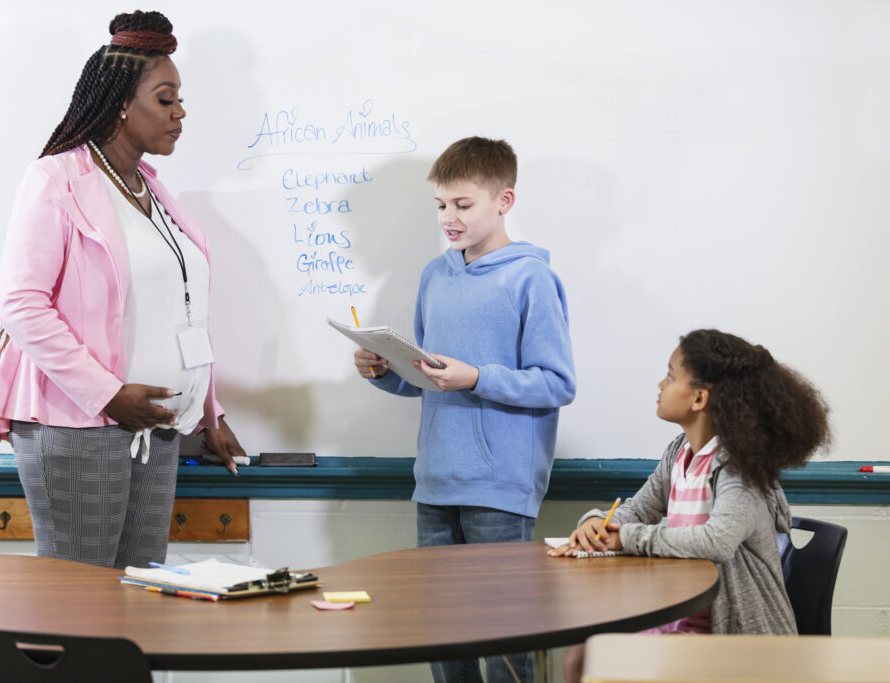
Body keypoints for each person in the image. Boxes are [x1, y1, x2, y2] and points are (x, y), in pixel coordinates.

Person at [0, 10, 246, 570]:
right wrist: (107, 393)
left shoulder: (153, 191)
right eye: (166, 99)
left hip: (158, 429)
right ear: (121, 102)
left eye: (179, 99)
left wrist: (207, 412)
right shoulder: (56, 180)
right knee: (80, 607)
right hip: (77, 427)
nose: (180, 112)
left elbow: (184, 309)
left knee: (140, 599)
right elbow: (22, 304)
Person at [353, 136, 577, 683]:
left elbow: (557, 383)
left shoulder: (532, 280)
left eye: (462, 204)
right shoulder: (436, 276)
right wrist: (386, 371)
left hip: (500, 485)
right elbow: (429, 379)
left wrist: (475, 377)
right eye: (440, 205)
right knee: (442, 632)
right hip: (434, 480)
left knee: (502, 636)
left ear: (504, 201)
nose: (448, 218)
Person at [549, 329, 831, 683]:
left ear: (699, 399)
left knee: (603, 665)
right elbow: (637, 509)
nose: (659, 384)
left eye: (669, 376)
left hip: (730, 633)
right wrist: (595, 522)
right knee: (581, 658)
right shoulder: (679, 452)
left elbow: (717, 541)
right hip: (682, 619)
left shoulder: (737, 468)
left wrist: (628, 538)